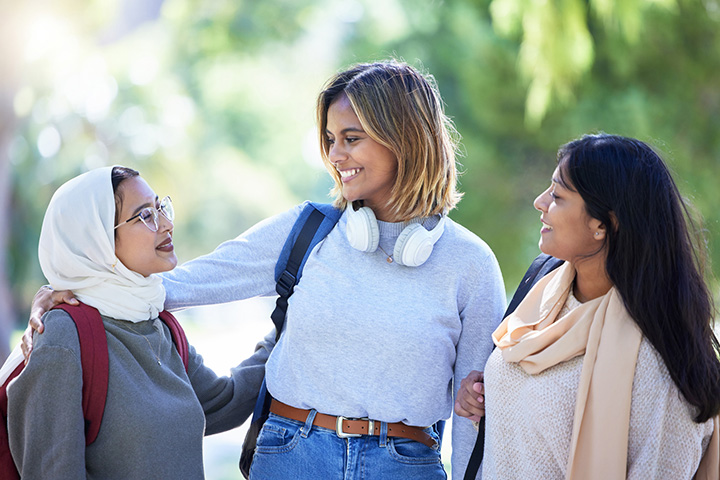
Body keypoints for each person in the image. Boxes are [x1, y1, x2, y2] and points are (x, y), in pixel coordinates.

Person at [28, 60, 506, 479]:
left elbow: (475, 411)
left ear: (404, 138)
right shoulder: (308, 231)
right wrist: (74, 291)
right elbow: (181, 284)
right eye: (331, 140)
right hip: (291, 456)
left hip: (403, 464)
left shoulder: (470, 264)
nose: (335, 156)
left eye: (351, 139)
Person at [455, 133, 720, 479]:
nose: (540, 202)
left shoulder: (661, 360)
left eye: (557, 195)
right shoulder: (543, 287)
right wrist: (484, 396)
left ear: (604, 224)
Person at [7, 166, 272, 479]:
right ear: (97, 241)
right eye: (145, 215)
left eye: (160, 208)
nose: (167, 224)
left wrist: (292, 324)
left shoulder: (159, 324)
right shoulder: (64, 335)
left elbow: (223, 404)